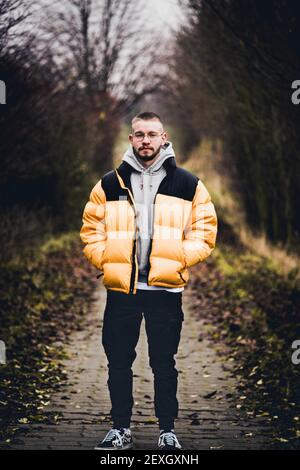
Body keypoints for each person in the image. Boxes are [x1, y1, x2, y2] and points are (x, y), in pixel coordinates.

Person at [80, 112, 218, 450]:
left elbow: (206, 231)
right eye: (139, 134)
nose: (145, 141)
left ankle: (167, 431)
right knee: (118, 362)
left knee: (163, 363)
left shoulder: (188, 184)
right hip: (123, 290)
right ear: (131, 139)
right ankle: (120, 429)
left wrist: (179, 259)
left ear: (163, 137)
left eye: (152, 134)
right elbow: (90, 231)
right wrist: (109, 260)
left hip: (165, 291)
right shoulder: (109, 184)